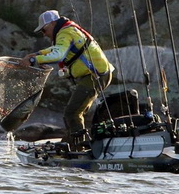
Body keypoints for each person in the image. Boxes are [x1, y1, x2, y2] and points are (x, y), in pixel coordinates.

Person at [19, 10, 114, 150]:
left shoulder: (65, 32)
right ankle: (74, 143)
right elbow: (56, 49)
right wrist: (39, 53)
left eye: (44, 30)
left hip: (95, 76)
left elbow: (58, 55)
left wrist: (34, 60)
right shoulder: (67, 31)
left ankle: (78, 148)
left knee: (72, 112)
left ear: (51, 24)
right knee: (73, 113)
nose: (44, 34)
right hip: (96, 75)